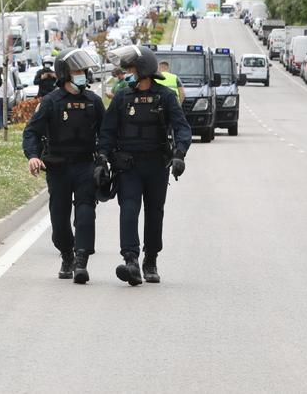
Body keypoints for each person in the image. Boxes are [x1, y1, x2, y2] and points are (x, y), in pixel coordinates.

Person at [99, 45, 191, 286]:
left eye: (130, 69)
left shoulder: (165, 97)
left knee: (154, 213)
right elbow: (107, 132)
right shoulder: (122, 97)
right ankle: (131, 261)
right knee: (128, 210)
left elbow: (182, 128)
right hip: (128, 166)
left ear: (143, 70)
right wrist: (102, 158)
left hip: (157, 165)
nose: (127, 73)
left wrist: (179, 154)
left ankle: (150, 259)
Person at [23, 48, 105, 284]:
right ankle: (67, 254)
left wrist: (105, 158)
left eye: (83, 70)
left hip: (85, 166)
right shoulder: (51, 102)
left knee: (86, 213)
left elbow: (107, 133)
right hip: (58, 167)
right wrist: (32, 156)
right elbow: (31, 133)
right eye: (77, 70)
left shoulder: (94, 102)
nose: (82, 74)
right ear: (65, 74)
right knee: (59, 220)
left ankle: (81, 260)